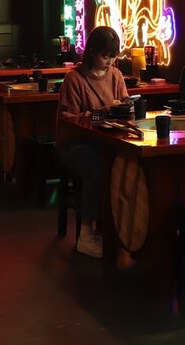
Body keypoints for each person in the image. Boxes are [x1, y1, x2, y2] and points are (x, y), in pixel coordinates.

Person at [56, 26, 129, 258]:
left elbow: (125, 105)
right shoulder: (74, 78)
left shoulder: (116, 75)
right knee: (97, 168)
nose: (110, 62)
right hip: (74, 142)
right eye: (105, 56)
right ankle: (86, 235)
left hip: (105, 141)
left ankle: (118, 228)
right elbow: (69, 119)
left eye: (114, 56)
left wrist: (125, 109)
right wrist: (102, 112)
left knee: (126, 164)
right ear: (91, 52)